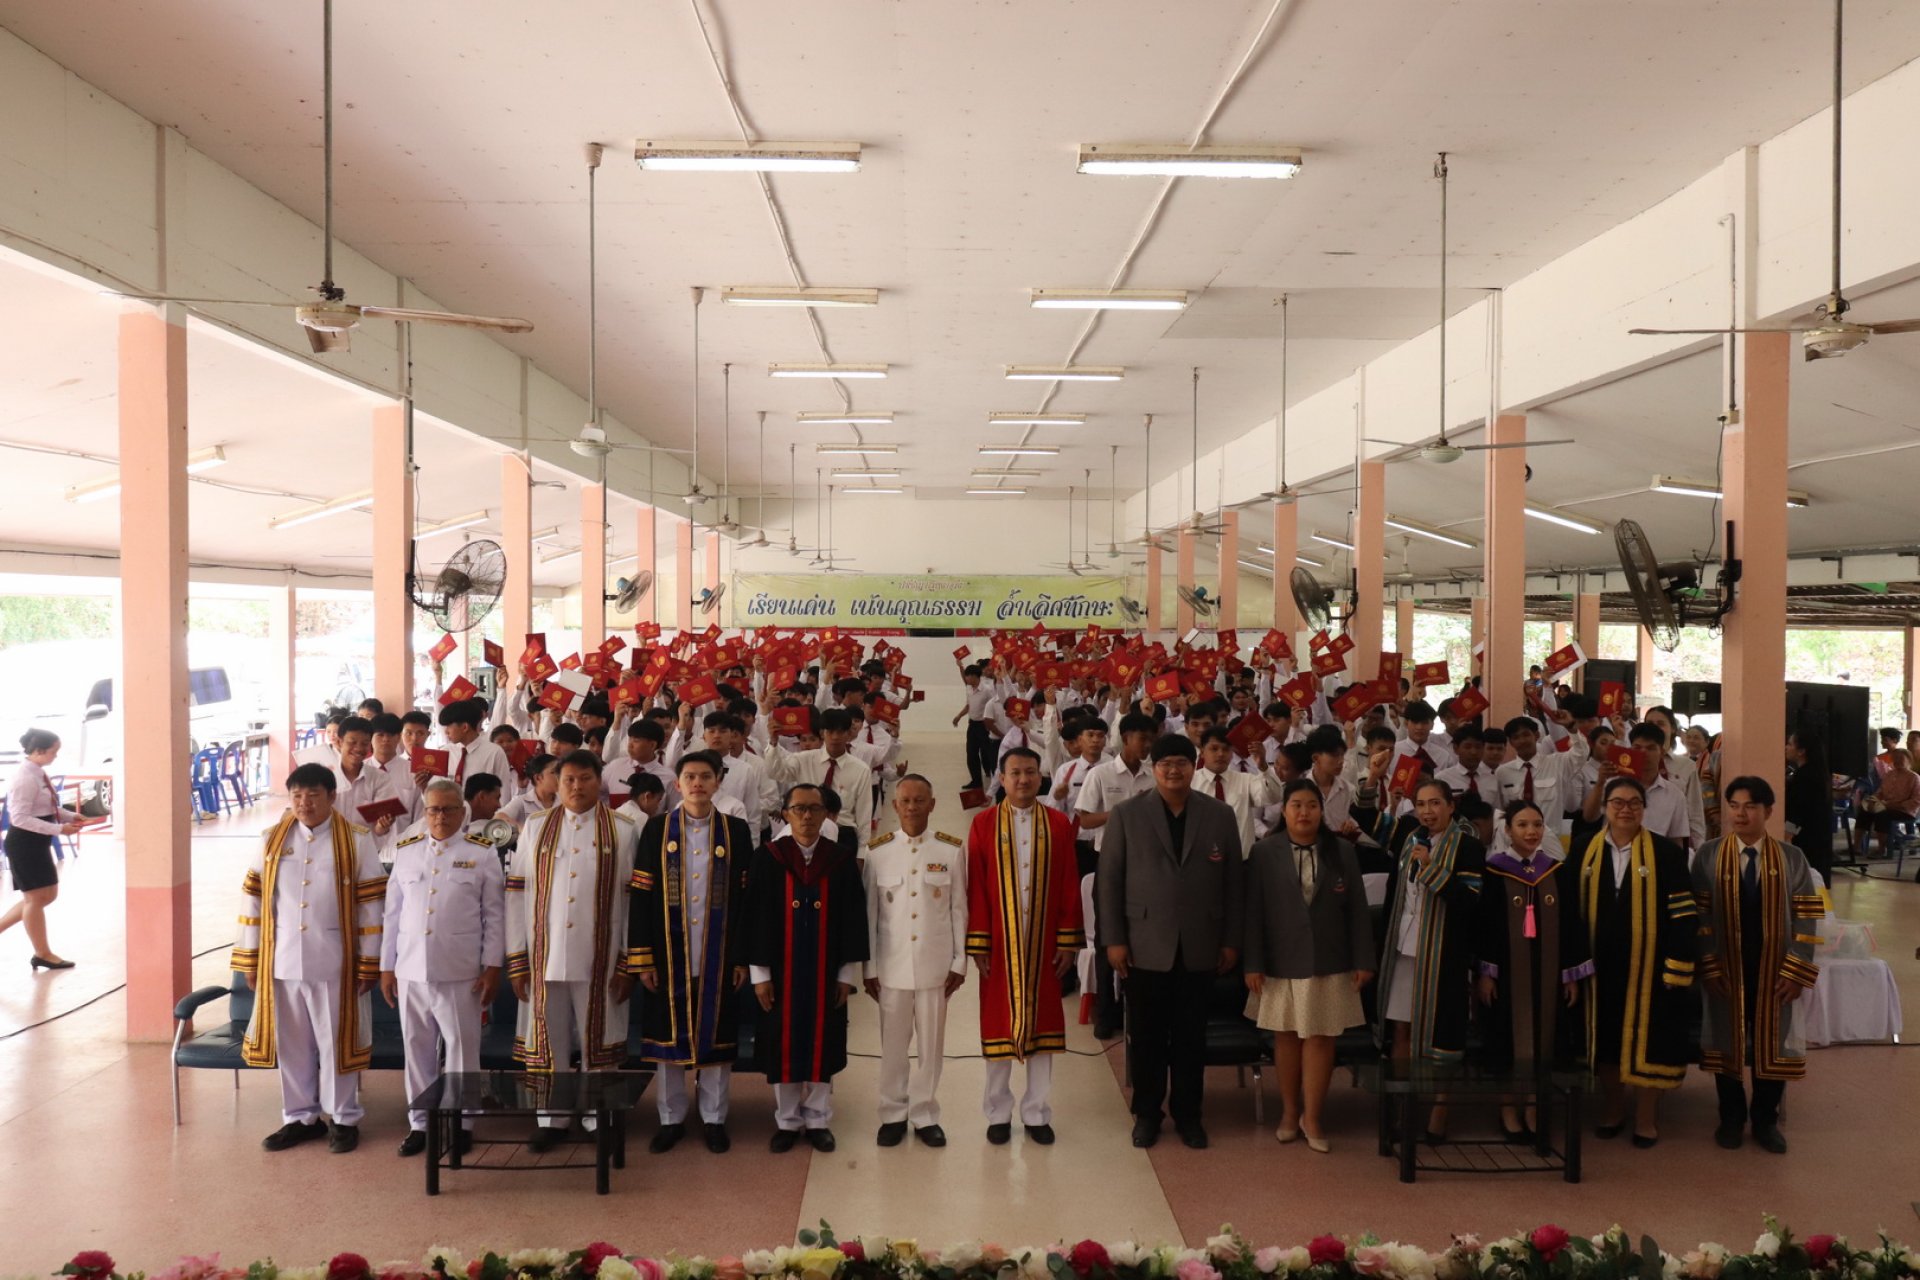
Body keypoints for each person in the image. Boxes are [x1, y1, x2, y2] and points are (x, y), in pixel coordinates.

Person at [1098, 733, 1244, 1150]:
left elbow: (1234, 883)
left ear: (1194, 766)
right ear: (1154, 768)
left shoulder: (1219, 815)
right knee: (1146, 1037)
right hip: (1144, 943)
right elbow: (1109, 882)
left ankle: (1188, 1114)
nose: (1174, 770)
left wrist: (1231, 939)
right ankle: (1147, 1114)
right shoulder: (1127, 814)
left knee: (1190, 1037)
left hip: (1201, 943)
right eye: (1165, 764)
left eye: (1181, 762)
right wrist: (1114, 940)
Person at [235, 763, 386, 1153]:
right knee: (292, 1043)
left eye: (313, 795)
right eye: (297, 796)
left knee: (336, 1041)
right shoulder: (272, 839)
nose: (304, 803)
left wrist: (369, 962)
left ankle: (343, 1118)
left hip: (336, 961)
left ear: (332, 797)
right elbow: (253, 899)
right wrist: (251, 957)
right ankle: (300, 1117)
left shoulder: (356, 840)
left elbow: (371, 906)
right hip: (282, 961)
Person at [506, 749, 639, 1150]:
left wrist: (626, 961)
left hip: (601, 956)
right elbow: (516, 893)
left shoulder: (623, 830)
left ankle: (600, 1118)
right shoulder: (536, 826)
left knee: (600, 1040)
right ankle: (553, 1119)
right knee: (552, 1037)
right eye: (568, 780)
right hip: (544, 955)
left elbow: (632, 901)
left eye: (585, 778)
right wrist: (517, 958)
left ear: (599, 782)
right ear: (556, 783)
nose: (576, 787)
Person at [629, 749, 757, 1155]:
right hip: (668, 951)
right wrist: (643, 957)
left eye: (705, 776)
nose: (698, 783)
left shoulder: (736, 831)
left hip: (718, 951)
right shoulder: (657, 829)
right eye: (690, 777)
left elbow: (746, 899)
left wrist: (741, 957)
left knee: (716, 1036)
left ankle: (714, 1118)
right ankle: (670, 1118)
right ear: (677, 783)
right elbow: (641, 896)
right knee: (668, 1037)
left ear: (718, 781)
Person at [1242, 778, 1375, 1153]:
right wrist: (1253, 963)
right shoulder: (1264, 852)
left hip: (1329, 960)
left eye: (1312, 805)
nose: (1304, 812)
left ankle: (1313, 1117)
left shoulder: (1342, 851)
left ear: (1321, 810)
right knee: (1285, 1037)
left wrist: (1363, 959)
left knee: (1320, 1038)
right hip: (1279, 960)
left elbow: (1358, 911)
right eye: (1296, 805)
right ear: (1283, 811)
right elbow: (1253, 912)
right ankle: (1289, 1113)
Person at [1695, 776, 1824, 1154]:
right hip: (1726, 966)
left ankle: (1766, 1121)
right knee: (1726, 1040)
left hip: (1775, 968)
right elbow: (1700, 916)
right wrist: (1709, 966)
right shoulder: (1708, 855)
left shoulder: (1791, 858)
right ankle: (1731, 1119)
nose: (1740, 814)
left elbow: (1806, 917)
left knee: (1773, 1043)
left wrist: (1796, 972)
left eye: (1750, 806)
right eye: (1734, 805)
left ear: (1768, 811)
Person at [379, 778, 504, 1157]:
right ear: (425, 811)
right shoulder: (407, 851)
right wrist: (387, 967)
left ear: (463, 812)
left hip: (460, 972)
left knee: (462, 1049)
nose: (440, 816)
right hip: (411, 969)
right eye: (433, 809)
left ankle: (463, 1122)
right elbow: (392, 914)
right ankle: (421, 1122)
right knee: (416, 1048)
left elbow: (495, 916)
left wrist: (492, 965)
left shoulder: (482, 852)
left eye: (449, 809)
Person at [966, 747, 1084, 1144]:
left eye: (1030, 772)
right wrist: (979, 942)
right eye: (1015, 772)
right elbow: (976, 885)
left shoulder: (1058, 823)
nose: (1023, 779)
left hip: (1044, 941)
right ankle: (998, 1113)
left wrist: (1067, 941)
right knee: (997, 1023)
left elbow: (1069, 885)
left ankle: (1036, 1112)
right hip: (1000, 944)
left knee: (1044, 1025)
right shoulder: (983, 824)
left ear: (1040, 776)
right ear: (1001, 778)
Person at [1575, 774, 1696, 1148]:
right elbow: (1570, 911)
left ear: (1644, 809)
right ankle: (1613, 1108)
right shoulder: (1583, 850)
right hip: (1599, 967)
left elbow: (1684, 915)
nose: (1625, 809)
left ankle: (1646, 1117)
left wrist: (1676, 965)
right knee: (1607, 1038)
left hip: (1651, 968)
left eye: (1634, 803)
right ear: (1605, 807)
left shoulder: (1666, 854)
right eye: (1618, 802)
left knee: (1652, 1041)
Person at [746, 783, 867, 1151]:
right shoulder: (768, 858)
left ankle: (817, 1119)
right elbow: (755, 918)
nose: (807, 816)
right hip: (779, 972)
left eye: (815, 808)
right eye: (799, 808)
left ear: (826, 814)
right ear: (785, 814)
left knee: (821, 1042)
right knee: (782, 1043)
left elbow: (852, 920)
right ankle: (786, 1120)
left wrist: (846, 976)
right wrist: (760, 976)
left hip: (825, 971)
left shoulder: (840, 860)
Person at [1370, 776, 1485, 1140]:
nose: (1427, 811)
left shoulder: (1468, 846)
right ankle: (1403, 1104)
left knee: (1442, 1034)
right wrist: (1372, 778)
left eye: (1435, 803)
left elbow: (1470, 901)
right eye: (1421, 804)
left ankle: (1440, 1109)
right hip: (1404, 949)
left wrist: (1433, 868)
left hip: (1444, 955)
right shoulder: (1409, 838)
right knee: (1401, 1028)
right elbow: (1367, 818)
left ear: (1451, 806)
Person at [1475, 799, 1591, 1141]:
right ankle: (1507, 1108)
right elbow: (1484, 929)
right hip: (1507, 978)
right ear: (1508, 830)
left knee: (1545, 1038)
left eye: (1537, 824)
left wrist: (1570, 976)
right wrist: (1486, 972)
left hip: (1548, 976)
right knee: (1506, 1039)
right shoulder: (1493, 872)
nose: (1531, 831)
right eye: (1522, 825)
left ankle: (1534, 1106)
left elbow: (1571, 927)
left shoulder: (1556, 871)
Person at [865, 774, 968, 1147]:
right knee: (893, 1047)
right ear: (895, 805)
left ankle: (924, 1114)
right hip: (891, 967)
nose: (912, 807)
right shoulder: (877, 852)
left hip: (934, 966)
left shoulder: (950, 850)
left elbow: (959, 910)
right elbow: (870, 915)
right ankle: (892, 1113)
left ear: (932, 804)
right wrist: (870, 968)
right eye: (905, 801)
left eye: (919, 800)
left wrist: (959, 962)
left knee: (931, 1048)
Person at [1074, 711, 1158, 1038]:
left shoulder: (1154, 776)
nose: (1147, 746)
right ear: (1125, 739)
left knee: (1142, 939)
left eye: (1151, 740)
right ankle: (1106, 1012)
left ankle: (1136, 1010)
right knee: (1106, 938)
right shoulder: (1102, 774)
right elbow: (1085, 820)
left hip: (1146, 866)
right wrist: (1122, 812)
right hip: (1108, 864)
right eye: (1142, 739)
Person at [1, 729, 86, 968]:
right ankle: (42, 953)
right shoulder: (24, 778)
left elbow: (45, 808)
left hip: (37, 842)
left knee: (46, 896)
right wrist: (59, 829)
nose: (55, 756)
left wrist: (69, 816)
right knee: (36, 899)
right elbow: (20, 818)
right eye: (53, 751)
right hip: (24, 843)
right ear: (38, 751)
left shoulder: (37, 772)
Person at [766, 708, 875, 839]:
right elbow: (775, 773)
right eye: (830, 732)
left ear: (849, 734)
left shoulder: (861, 770)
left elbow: (864, 814)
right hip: (807, 829)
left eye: (840, 732)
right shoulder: (804, 759)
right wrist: (773, 742)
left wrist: (862, 848)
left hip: (842, 832)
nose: (835, 737)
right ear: (822, 734)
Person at [1195, 728, 1284, 855]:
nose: (1220, 754)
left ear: (1232, 753)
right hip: (1201, 858)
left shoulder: (1245, 780)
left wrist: (1263, 767)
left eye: (1226, 749)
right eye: (1214, 749)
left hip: (1241, 859)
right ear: (1202, 752)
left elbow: (1273, 797)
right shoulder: (1191, 783)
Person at [1783, 730, 1834, 883]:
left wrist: (1787, 833)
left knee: (1808, 880)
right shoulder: (1814, 772)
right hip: (1816, 835)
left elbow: (1799, 808)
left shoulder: (1806, 776)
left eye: (1790, 744)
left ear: (1801, 751)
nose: (1786, 747)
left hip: (1808, 837)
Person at [1859, 747, 1920, 859]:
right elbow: (1880, 792)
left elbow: (1916, 801)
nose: (1897, 761)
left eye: (1901, 758)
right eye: (1895, 758)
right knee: (1864, 810)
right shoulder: (1889, 775)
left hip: (1906, 810)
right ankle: (1856, 847)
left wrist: (1896, 805)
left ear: (1909, 760)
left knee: (1882, 814)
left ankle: (1881, 849)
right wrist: (1872, 801)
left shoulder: (1914, 778)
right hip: (1886, 806)